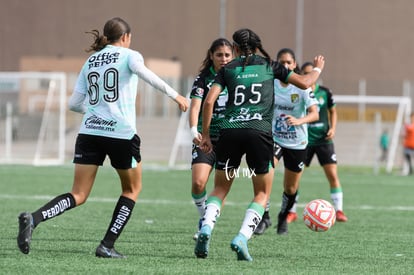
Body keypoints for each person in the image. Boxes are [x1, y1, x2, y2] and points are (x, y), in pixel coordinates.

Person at [16, 17, 188, 258]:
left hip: (89, 132)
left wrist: (97, 112)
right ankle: (106, 245)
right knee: (132, 189)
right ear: (126, 37)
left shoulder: (91, 60)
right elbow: (147, 75)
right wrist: (176, 96)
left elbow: (74, 104)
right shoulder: (130, 56)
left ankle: (34, 219)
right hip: (120, 133)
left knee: (78, 194)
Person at [194, 28, 324, 261]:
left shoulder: (228, 69)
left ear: (234, 48)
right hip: (259, 133)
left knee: (220, 189)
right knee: (262, 193)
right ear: (257, 46)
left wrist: (205, 135)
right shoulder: (269, 66)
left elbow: (209, 101)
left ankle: (206, 229)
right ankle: (242, 237)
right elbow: (305, 83)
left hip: (229, 131)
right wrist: (317, 69)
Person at [254, 49, 320, 235]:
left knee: (290, 187)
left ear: (294, 64)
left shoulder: (301, 85)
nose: (285, 66)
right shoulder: (270, 83)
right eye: (281, 62)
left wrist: (300, 121)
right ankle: (263, 217)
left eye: (289, 62)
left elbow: (315, 113)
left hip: (297, 143)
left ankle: (283, 217)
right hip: (274, 138)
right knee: (264, 175)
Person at [278, 61, 348, 225]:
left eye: (312, 72)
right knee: (296, 178)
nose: (309, 75)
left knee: (332, 175)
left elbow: (333, 111)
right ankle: (292, 212)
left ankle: (339, 210)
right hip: (305, 141)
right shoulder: (300, 90)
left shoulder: (325, 92)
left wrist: (333, 128)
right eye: (306, 73)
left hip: (324, 140)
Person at [189, 38, 233, 240]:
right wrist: (193, 130)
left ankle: (206, 226)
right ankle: (203, 218)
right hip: (206, 138)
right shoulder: (203, 79)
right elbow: (196, 106)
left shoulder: (238, 77)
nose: (223, 59)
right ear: (211, 56)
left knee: (220, 187)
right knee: (198, 183)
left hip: (230, 138)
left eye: (227, 55)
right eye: (219, 55)